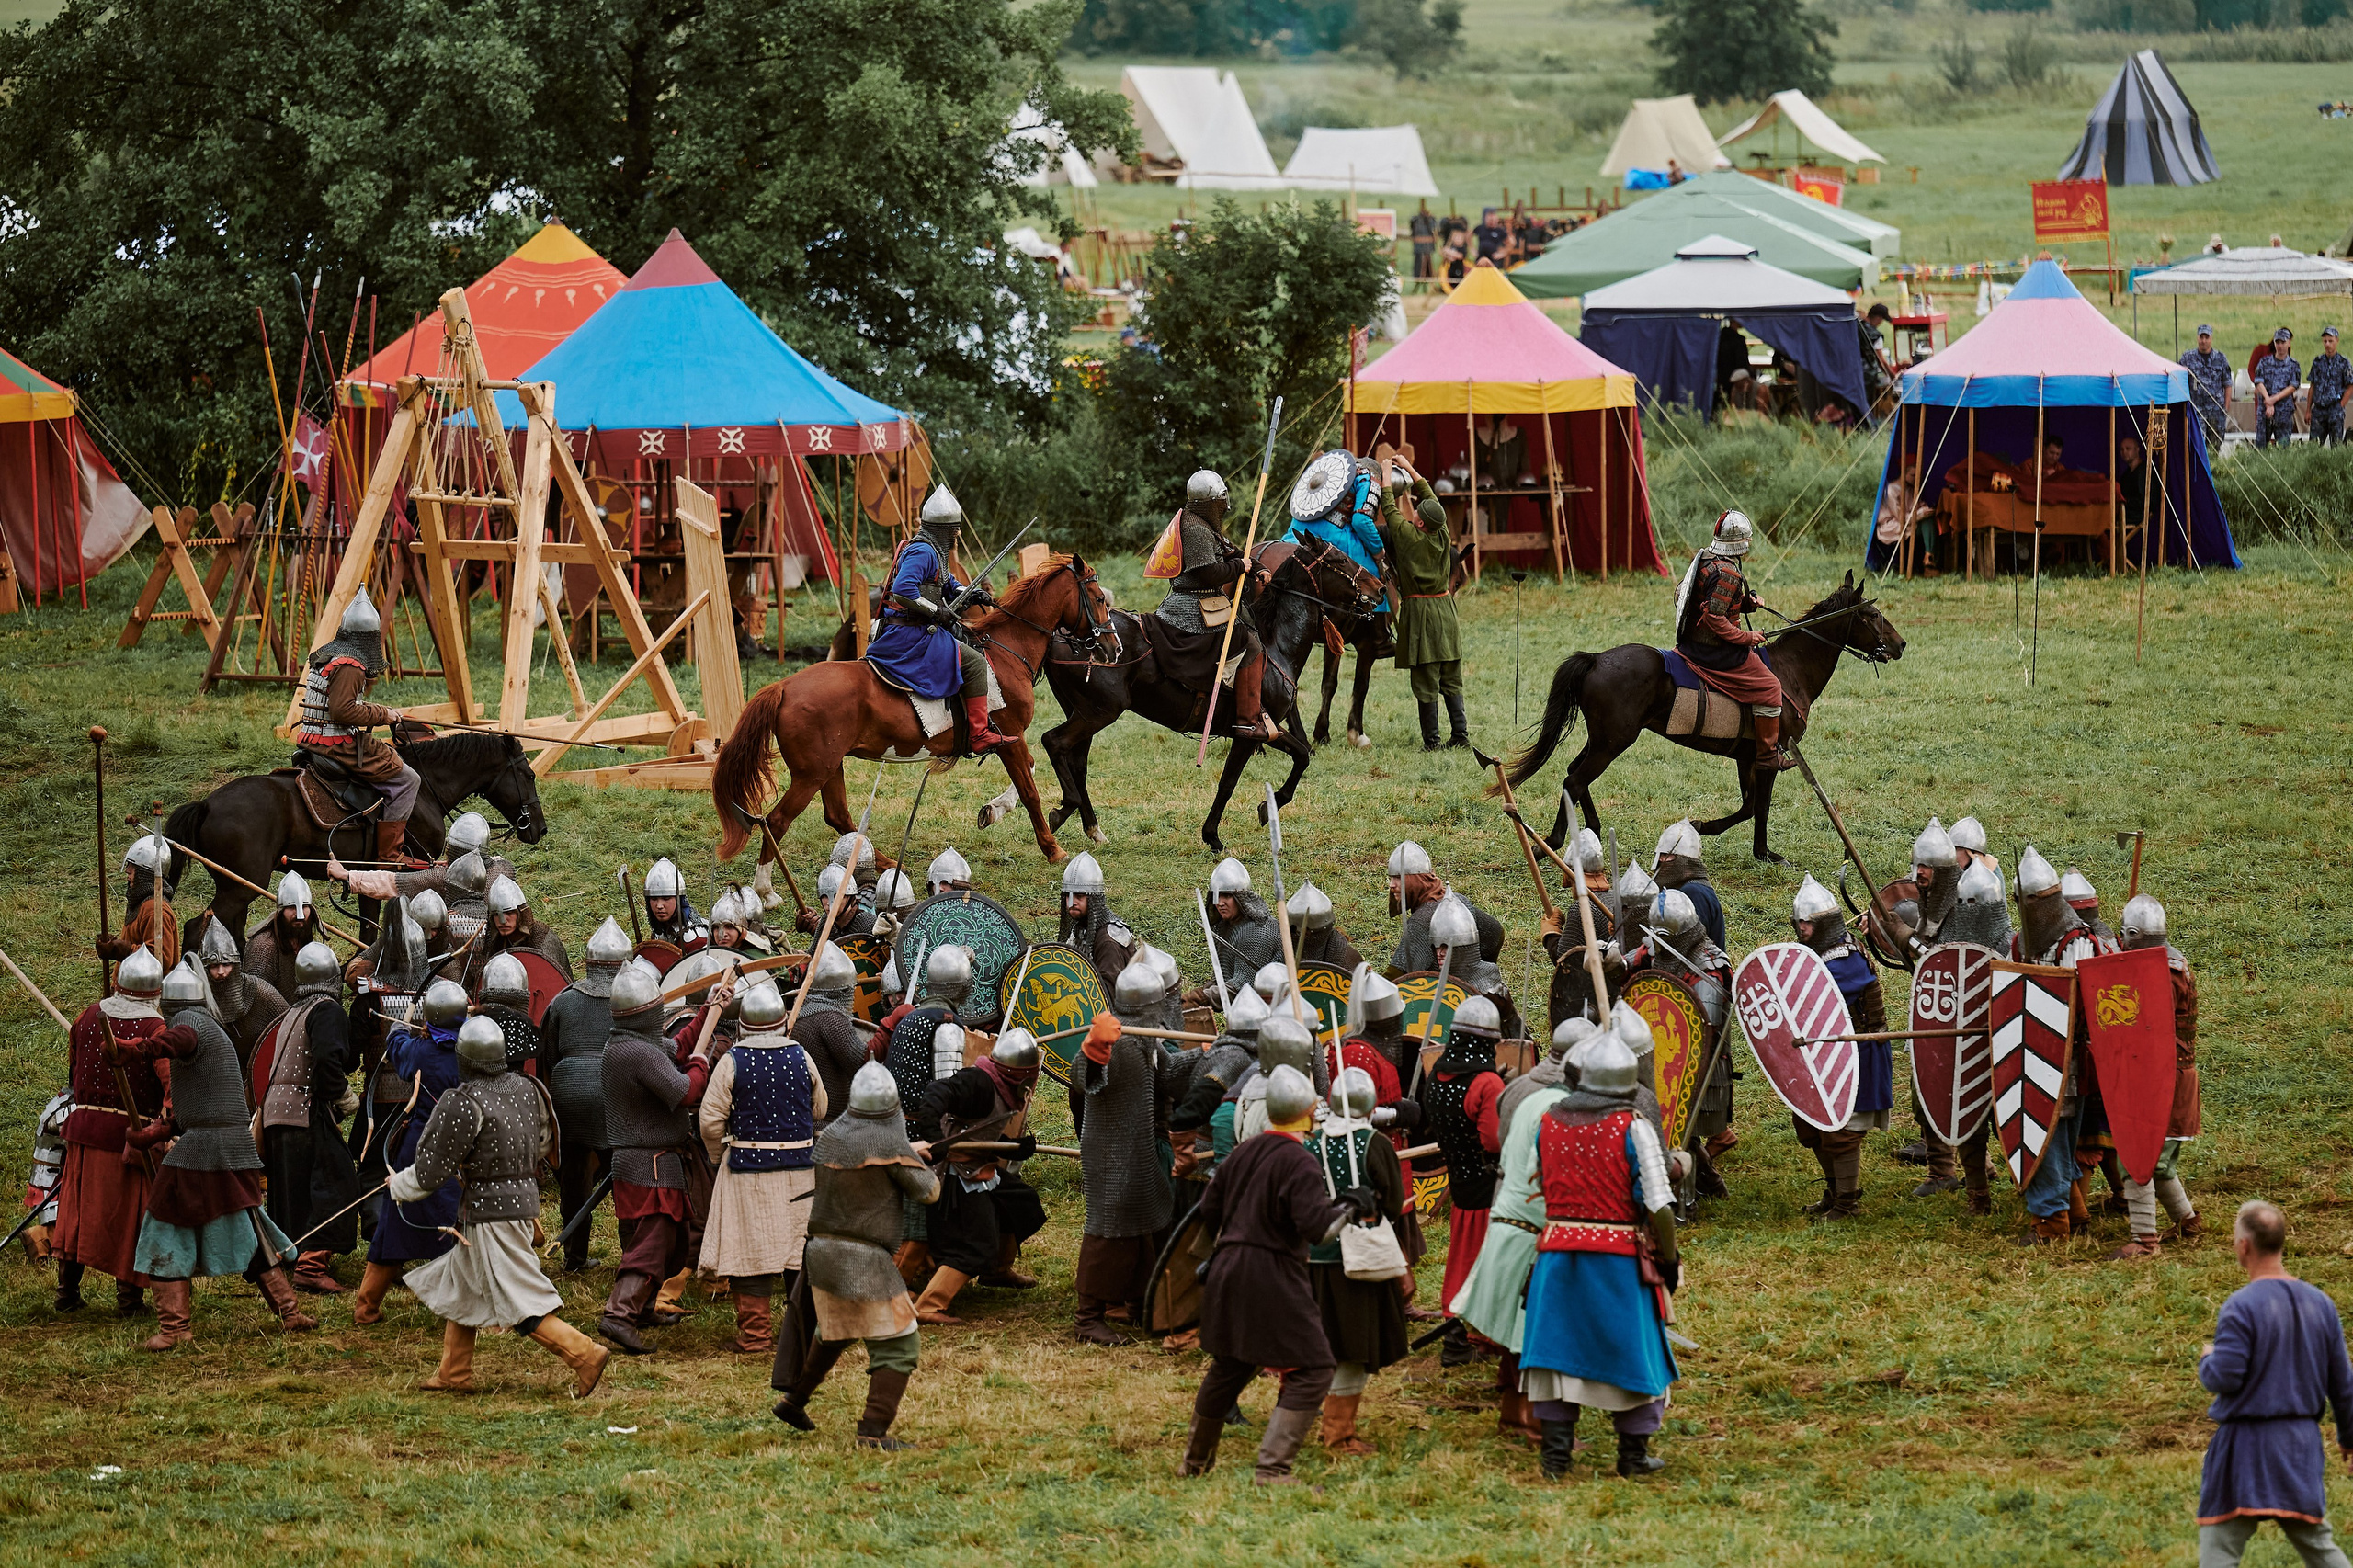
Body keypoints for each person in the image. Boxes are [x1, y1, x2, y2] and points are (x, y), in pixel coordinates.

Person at [392, 1014, 609, 1396]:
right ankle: (454, 1371)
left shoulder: (463, 1101)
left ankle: (584, 1354)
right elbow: (544, 1144)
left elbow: (430, 1172)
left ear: (464, 1058)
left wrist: (398, 1185)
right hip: (519, 1203)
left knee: (519, 1302)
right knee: (464, 1288)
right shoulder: (528, 1088)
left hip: (491, 1214)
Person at [1181, 1064, 1374, 1483]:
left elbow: (1210, 1208)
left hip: (1228, 1267)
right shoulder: (1299, 1161)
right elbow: (1318, 1229)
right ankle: (1272, 1469)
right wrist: (1349, 1205)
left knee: (1231, 1365)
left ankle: (1194, 1464)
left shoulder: (1244, 1151)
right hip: (1270, 1273)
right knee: (1314, 1368)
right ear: (1307, 1113)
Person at [129, 959, 318, 1347]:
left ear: (170, 1005)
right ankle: (289, 1312)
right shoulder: (211, 1027)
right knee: (249, 1230)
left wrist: (137, 1049)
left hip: (204, 1152)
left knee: (163, 1226)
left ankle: (175, 1329)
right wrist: (160, 1131)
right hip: (228, 1149)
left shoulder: (191, 1025)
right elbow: (208, 1105)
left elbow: (178, 1042)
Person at [1520, 1026, 1679, 1480]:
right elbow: (1659, 1204)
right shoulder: (1633, 1126)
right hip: (1617, 1261)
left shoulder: (1548, 1121)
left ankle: (1555, 1459)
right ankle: (1631, 1457)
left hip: (1557, 1256)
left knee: (1556, 1353)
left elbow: (1537, 1179)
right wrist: (1669, 1259)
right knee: (1633, 1350)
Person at [770, 1062, 941, 1449]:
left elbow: (867, 1164)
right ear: (892, 1109)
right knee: (900, 1345)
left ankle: (794, 1402)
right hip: (863, 1258)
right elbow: (929, 1192)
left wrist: (904, 1154)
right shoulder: (888, 1144)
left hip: (821, 1252)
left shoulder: (834, 1134)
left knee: (834, 1330)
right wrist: (912, 1157)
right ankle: (872, 1432)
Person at [2193, 1200, 2353, 1567]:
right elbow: (2343, 1383)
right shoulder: (2321, 1304)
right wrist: (2350, 1439)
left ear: (2244, 1246)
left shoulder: (2241, 1305)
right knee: (2320, 1548)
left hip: (2245, 1448)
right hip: (2298, 1446)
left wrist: (2207, 1360)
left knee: (2219, 1550)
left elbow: (2225, 1376)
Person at [1453, 1017, 1587, 1451]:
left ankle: (1513, 1418)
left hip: (1506, 1222)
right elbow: (1551, 1178)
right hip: (1532, 1229)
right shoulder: (1559, 1109)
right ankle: (1533, 1425)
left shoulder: (1531, 1096)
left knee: (1516, 1333)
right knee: (1536, 1333)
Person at [597, 964, 715, 1353]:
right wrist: (700, 1065)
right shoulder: (636, 1052)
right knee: (652, 1244)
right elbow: (686, 1091)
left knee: (666, 1242)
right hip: (649, 1165)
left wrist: (708, 1011)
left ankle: (644, 1308)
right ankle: (619, 1315)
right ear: (648, 1013)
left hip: (645, 1163)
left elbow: (676, 1045)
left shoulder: (631, 1043)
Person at [696, 978, 817, 1358]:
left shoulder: (732, 1060)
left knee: (751, 1253)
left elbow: (710, 1122)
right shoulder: (800, 1055)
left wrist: (718, 1157)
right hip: (801, 1171)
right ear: (782, 1022)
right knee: (799, 1252)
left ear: (743, 1025)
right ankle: (803, 1335)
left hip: (748, 1172)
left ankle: (756, 1336)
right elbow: (820, 1107)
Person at [56, 944, 170, 1318]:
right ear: (156, 992)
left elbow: (74, 1068)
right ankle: (129, 1301)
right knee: (130, 1220)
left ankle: (67, 1293)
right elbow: (171, 1086)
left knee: (78, 1215)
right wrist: (167, 1124)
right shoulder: (156, 1029)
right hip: (127, 1138)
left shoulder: (88, 1016)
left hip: (84, 1133)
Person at [2012, 845, 2114, 1246]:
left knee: (2052, 1137)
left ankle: (2052, 1220)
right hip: (2030, 1055)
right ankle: (2073, 1210)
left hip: (2067, 1057)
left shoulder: (2078, 943)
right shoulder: (2021, 943)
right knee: (2046, 1136)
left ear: (2044, 902)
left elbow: (2080, 1006)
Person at [864, 485, 1013, 756]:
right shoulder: (923, 552)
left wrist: (970, 593)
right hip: (910, 634)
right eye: (955, 530)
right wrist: (936, 611)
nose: (958, 534)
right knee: (975, 662)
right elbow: (903, 590)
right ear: (944, 530)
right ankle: (979, 734)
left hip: (920, 628)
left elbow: (948, 584)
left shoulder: (934, 551)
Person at [353, 978, 469, 1323]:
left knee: (396, 1226)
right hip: (453, 1149)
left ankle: (366, 1306)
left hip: (418, 1150)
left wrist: (402, 1028)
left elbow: (397, 1047)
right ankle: (464, 1307)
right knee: (455, 1227)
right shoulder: (471, 1054)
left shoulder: (420, 1051)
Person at [911, 1031, 1047, 1324]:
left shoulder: (999, 1084)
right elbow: (934, 1095)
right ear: (1018, 1074)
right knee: (977, 1244)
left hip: (978, 1165)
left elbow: (978, 1130)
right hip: (955, 1175)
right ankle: (930, 1305)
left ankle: (996, 1271)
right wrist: (935, 1140)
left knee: (1022, 1203)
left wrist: (1012, 1146)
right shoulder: (978, 1082)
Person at [1309, 1067, 1409, 1457]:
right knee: (1350, 1348)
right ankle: (1338, 1433)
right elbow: (1393, 1203)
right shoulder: (1374, 1143)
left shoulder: (1312, 1142)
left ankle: (1331, 1425)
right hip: (1356, 1260)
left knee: (1331, 1345)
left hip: (1316, 1259)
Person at [1071, 971, 1174, 1346]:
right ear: (1153, 1005)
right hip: (1110, 1150)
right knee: (1109, 1233)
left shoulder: (1147, 1040)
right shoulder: (1116, 1041)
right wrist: (1093, 1054)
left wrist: (1214, 1055)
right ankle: (1087, 1319)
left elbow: (1172, 1076)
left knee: (1142, 1226)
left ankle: (1138, 1304)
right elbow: (1083, 1077)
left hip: (1136, 1147)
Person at [256, 940, 359, 1295]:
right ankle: (311, 1266)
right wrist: (343, 1097)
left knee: (294, 1189)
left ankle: (292, 1253)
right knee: (338, 1183)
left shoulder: (293, 1012)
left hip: (277, 1113)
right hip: (305, 1110)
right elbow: (327, 1060)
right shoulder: (326, 1010)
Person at [1149, 470, 1279, 742]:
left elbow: (1231, 551)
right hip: (1193, 606)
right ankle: (1247, 720)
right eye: (1221, 500)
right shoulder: (1195, 529)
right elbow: (1209, 573)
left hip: (1209, 601)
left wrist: (1257, 566)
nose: (1224, 505)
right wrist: (1241, 566)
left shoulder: (1203, 523)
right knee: (1248, 642)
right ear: (1212, 502)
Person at [295, 586, 423, 866]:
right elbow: (342, 710)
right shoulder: (351, 665)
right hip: (336, 744)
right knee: (408, 780)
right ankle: (389, 854)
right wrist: (382, 714)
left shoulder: (329, 654)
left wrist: (379, 712)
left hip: (313, 737)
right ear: (370, 637)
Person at [2109, 894, 2205, 1260]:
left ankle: (2145, 1240)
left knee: (2140, 1157)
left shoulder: (2162, 972)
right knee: (2161, 1162)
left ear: (2134, 934)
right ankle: (2188, 1221)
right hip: (2166, 1075)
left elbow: (2146, 1028)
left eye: (2125, 934)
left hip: (2166, 1079)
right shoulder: (2169, 961)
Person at [1789, 875, 1888, 1222]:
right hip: (1823, 1054)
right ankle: (1833, 1192)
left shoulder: (1847, 959)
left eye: (1807, 922)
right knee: (1812, 1125)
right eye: (1798, 922)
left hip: (1858, 1054)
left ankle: (1848, 1202)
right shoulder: (1816, 956)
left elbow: (1812, 998)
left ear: (1824, 923)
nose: (1801, 927)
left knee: (1842, 1131)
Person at [1674, 509, 1795, 770]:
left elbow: (1714, 601)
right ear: (1740, 542)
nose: (1749, 543)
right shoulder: (1728, 572)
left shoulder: (1708, 559)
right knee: (1771, 688)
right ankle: (1767, 755)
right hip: (1713, 651)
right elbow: (1714, 618)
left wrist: (1746, 604)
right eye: (1747, 539)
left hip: (1694, 643)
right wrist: (1747, 637)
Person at [541, 917, 629, 1272]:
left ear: (588, 963)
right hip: (612, 1090)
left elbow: (550, 1057)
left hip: (568, 1092)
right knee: (624, 1178)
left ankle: (574, 1259)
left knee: (574, 1179)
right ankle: (633, 1258)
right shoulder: (633, 998)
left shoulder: (563, 1001)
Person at [1427, 991, 1506, 1368]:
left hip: (1459, 1181)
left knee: (1463, 1259)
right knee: (1484, 1264)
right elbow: (1494, 1141)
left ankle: (1458, 1334)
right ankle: (1469, 1337)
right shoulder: (1487, 1083)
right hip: (1488, 1188)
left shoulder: (1438, 1073)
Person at [1379, 458, 1468, 751]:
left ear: (1419, 523)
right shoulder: (1443, 533)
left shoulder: (1408, 538)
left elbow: (1389, 508)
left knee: (1426, 676)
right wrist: (1409, 466)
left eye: (1416, 512)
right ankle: (1460, 735)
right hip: (1446, 610)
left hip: (1421, 613)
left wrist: (1387, 474)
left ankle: (1432, 742)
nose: (1414, 510)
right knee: (1451, 676)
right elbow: (1431, 498)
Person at [330, 810, 502, 905]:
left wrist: (347, 875)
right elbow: (490, 861)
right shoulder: (501, 869)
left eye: (451, 849)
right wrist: (456, 865)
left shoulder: (442, 878)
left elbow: (390, 882)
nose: (447, 851)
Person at [1387, 842, 1504, 974]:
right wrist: (1476, 969)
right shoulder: (1459, 901)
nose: (1391, 885)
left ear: (1416, 880)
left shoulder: (1421, 921)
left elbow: (1395, 976)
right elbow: (1495, 932)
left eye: (1398, 878)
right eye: (1391, 878)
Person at [190, 916, 286, 1076]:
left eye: (226, 965)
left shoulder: (260, 992)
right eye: (214, 966)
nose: (221, 972)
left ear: (235, 964)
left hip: (262, 1071)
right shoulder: (198, 998)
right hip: (220, 1073)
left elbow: (289, 1027)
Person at [99, 829, 180, 971]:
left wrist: (120, 949)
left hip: (150, 985)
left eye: (134, 866)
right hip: (131, 982)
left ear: (146, 873)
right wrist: (114, 944)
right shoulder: (142, 903)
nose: (127, 870)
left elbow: (160, 958)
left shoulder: (154, 910)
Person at [1057, 852, 1137, 994]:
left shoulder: (1108, 940)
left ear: (1093, 898)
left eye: (1079, 896)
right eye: (1068, 896)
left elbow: (1107, 994)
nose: (1072, 903)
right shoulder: (1080, 926)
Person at [1650, 819, 1726, 953]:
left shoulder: (1694, 892)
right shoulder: (1683, 888)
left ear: (1685, 860)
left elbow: (1689, 942)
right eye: (1660, 854)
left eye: (1668, 855)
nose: (1661, 859)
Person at [240, 871, 316, 1002]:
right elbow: (256, 998)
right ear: (281, 911)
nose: (299, 915)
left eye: (304, 907)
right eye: (291, 907)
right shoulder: (263, 946)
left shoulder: (304, 938)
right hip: (275, 1013)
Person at [1205, 857, 1281, 982]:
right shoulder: (1225, 927)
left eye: (1227, 896)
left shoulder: (1259, 932)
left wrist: (1206, 992)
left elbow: (1243, 984)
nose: (1220, 903)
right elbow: (1222, 978)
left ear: (1240, 898)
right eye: (1217, 896)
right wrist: (1208, 988)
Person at [1873, 458, 1938, 574]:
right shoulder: (1892, 490)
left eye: (1917, 476)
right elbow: (1901, 518)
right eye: (1913, 475)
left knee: (1928, 520)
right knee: (1925, 521)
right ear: (1904, 473)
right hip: (1893, 525)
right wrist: (1920, 514)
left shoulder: (1910, 489)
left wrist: (1926, 510)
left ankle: (1929, 558)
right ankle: (1929, 561)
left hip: (1909, 521)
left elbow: (1917, 505)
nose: (1915, 479)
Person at [2183, 325, 2233, 454]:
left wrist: (2226, 408)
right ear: (2197, 338)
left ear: (2211, 339)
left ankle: (2213, 465)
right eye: (2201, 337)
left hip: (2216, 411)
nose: (2204, 341)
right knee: (2197, 445)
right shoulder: (2188, 358)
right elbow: (2179, 380)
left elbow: (2227, 384)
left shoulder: (2220, 358)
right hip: (2196, 409)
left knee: (2215, 446)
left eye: (2206, 337)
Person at [2253, 327, 2302, 449]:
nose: (2280, 346)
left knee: (2283, 447)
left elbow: (2293, 386)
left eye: (2283, 342)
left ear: (2289, 343)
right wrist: (2268, 400)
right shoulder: (2264, 362)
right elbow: (2258, 382)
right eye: (2277, 342)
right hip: (2265, 410)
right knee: (2261, 446)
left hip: (2284, 411)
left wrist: (2274, 399)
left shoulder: (2293, 365)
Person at [642, 857, 706, 948]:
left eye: (666, 898)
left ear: (679, 900)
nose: (659, 905)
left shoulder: (695, 939)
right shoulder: (661, 930)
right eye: (654, 899)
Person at [2310, 327, 2349, 447]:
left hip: (2335, 410)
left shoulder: (2344, 363)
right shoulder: (2318, 362)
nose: (2327, 344)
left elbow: (2350, 386)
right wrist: (2307, 410)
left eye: (2330, 341)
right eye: (2325, 341)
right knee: (2313, 446)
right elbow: (2312, 386)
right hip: (2318, 411)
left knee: (2336, 446)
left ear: (2337, 341)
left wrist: (2341, 405)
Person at [1409, 205, 1436, 280]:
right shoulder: (1415, 220)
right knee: (1419, 264)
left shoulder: (1431, 220)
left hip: (1428, 247)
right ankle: (1418, 278)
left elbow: (1433, 231)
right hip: (1419, 247)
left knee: (1428, 265)